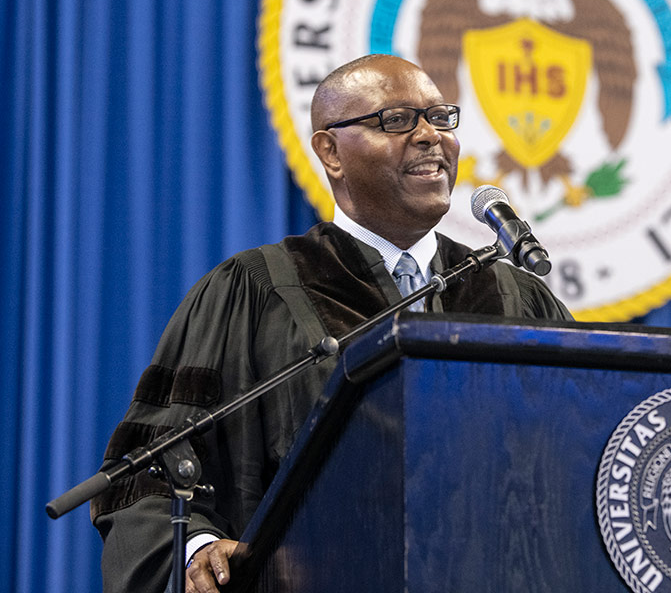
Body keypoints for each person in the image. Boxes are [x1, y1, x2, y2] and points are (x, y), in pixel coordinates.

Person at [91, 54, 572, 593]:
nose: (428, 136)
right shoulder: (255, 290)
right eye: (396, 120)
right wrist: (198, 549)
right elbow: (147, 470)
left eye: (438, 117)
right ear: (329, 151)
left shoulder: (515, 296)